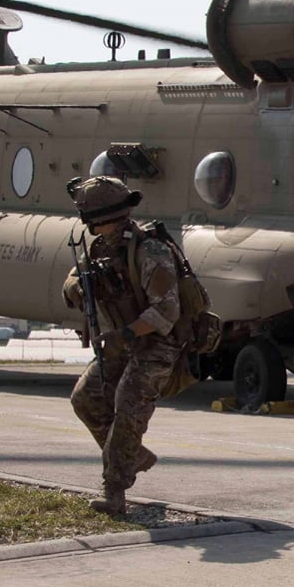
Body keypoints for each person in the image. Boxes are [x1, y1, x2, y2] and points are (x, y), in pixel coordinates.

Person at [63, 174, 183, 517]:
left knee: (128, 406)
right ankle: (131, 455)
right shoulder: (102, 248)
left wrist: (126, 335)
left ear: (96, 216)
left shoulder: (149, 249)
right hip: (124, 339)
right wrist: (78, 286)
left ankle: (114, 491)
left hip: (158, 343)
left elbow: (167, 310)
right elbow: (73, 279)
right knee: (86, 398)